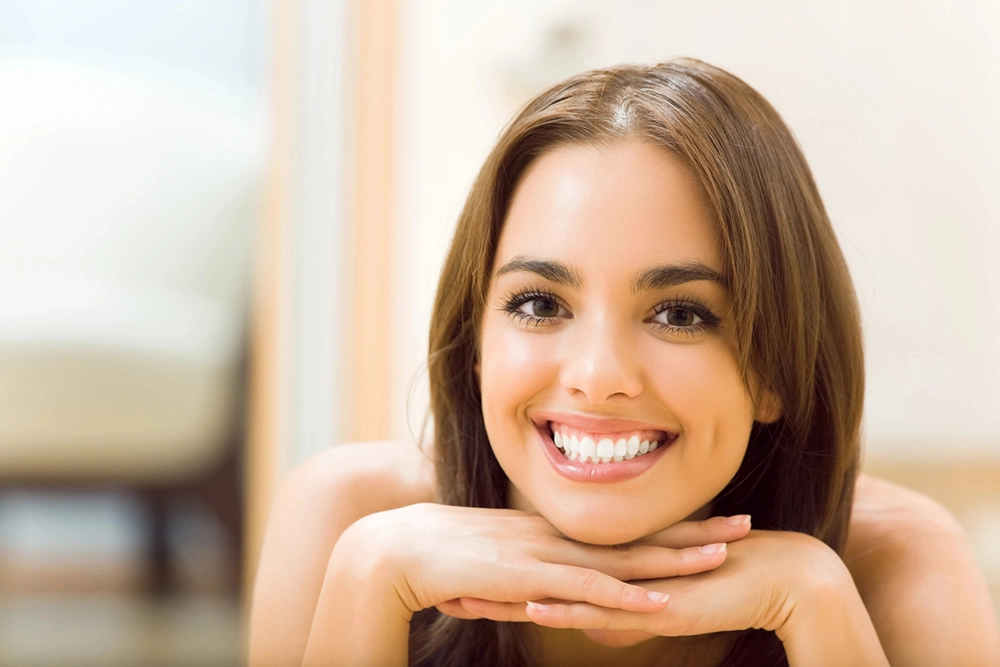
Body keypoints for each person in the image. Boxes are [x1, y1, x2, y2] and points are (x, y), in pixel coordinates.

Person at [248, 59, 1000, 666]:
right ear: (476, 344)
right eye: (540, 304)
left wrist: (817, 603)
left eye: (680, 313)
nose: (598, 373)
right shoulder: (352, 522)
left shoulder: (896, 564)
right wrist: (369, 580)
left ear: (775, 365)